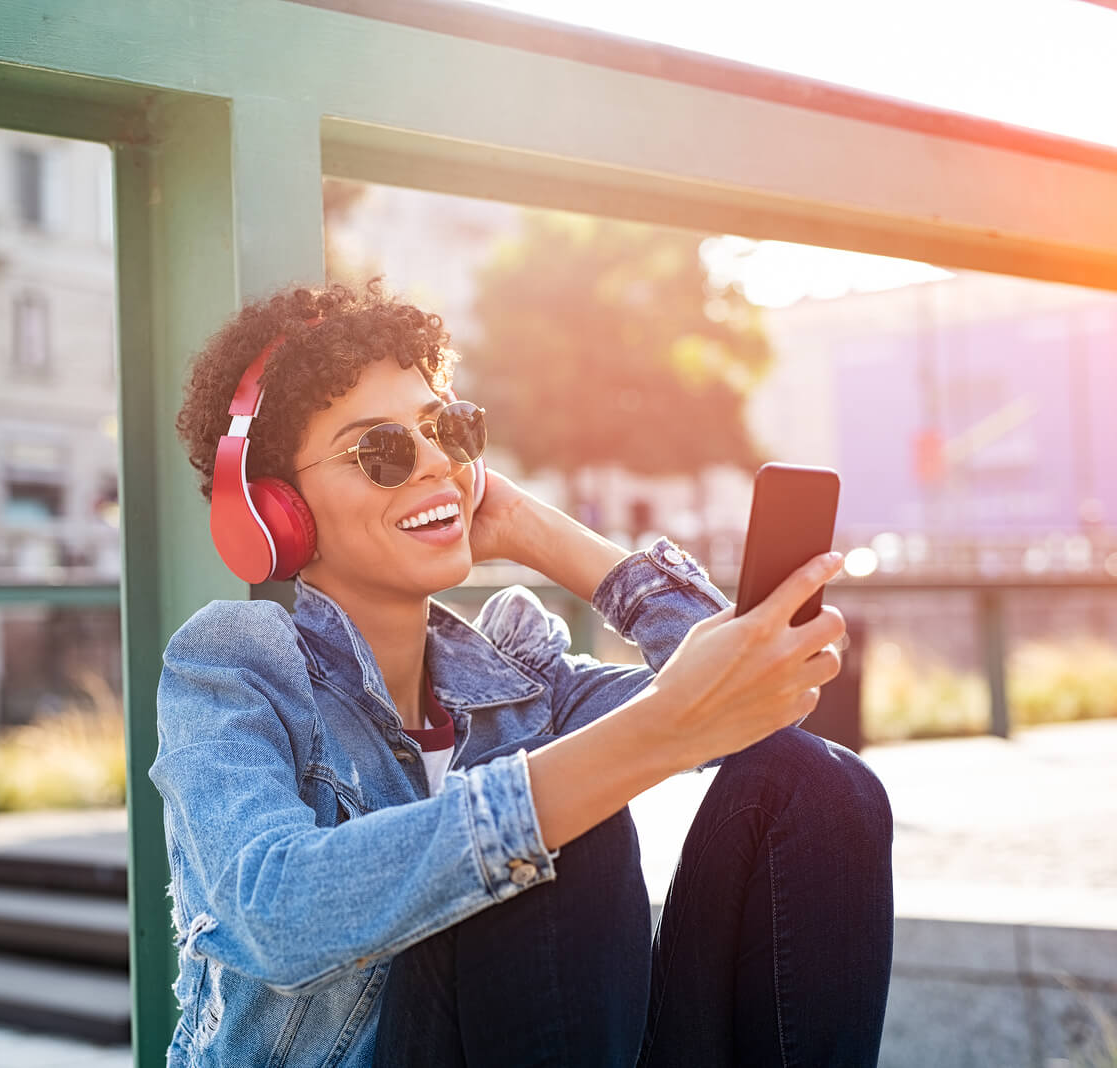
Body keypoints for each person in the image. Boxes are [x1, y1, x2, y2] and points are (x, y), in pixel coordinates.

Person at [152, 280, 893, 1067]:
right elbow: (269, 912)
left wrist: (545, 533)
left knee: (820, 784)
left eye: (448, 430)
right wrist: (644, 739)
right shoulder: (237, 664)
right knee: (559, 829)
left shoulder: (517, 684)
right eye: (383, 450)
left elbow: (759, 708)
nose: (437, 462)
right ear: (276, 509)